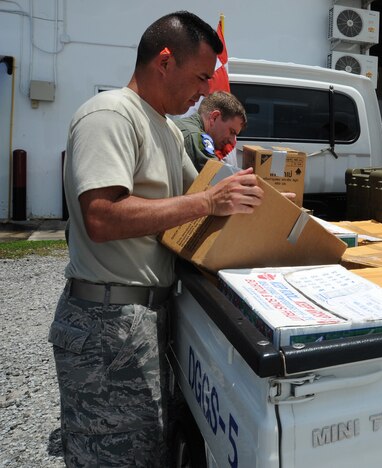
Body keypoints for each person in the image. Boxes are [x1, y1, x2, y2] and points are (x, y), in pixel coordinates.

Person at [47, 11, 263, 467]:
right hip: (105, 322)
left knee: (149, 448)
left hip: (145, 316)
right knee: (113, 455)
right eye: (202, 76)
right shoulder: (110, 115)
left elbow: (200, 192)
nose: (207, 90)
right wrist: (209, 203)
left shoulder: (163, 127)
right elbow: (101, 217)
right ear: (165, 61)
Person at [175, 90, 247, 171]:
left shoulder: (186, 126)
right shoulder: (197, 137)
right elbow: (218, 176)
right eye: (232, 132)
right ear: (214, 117)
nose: (232, 141)